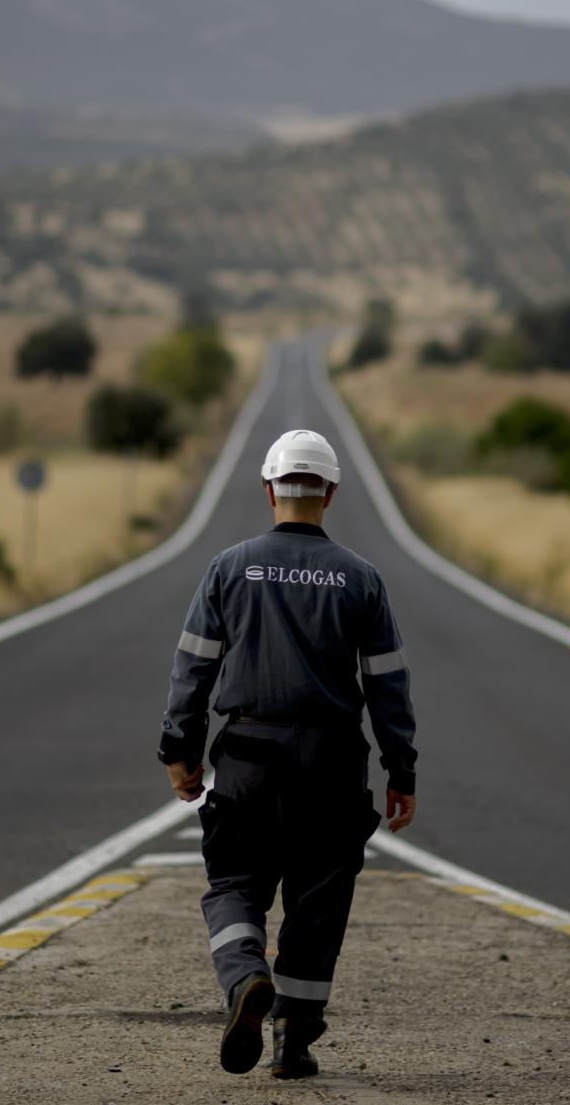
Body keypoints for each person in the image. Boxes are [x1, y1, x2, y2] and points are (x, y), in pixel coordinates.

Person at [158, 428, 417, 1079]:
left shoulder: (229, 568)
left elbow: (193, 670)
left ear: (269, 489)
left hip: (248, 760)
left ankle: (246, 973)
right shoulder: (361, 578)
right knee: (317, 905)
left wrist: (180, 750)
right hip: (331, 766)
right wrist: (402, 769)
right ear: (330, 493)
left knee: (234, 885)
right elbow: (387, 685)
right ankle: (292, 1043)